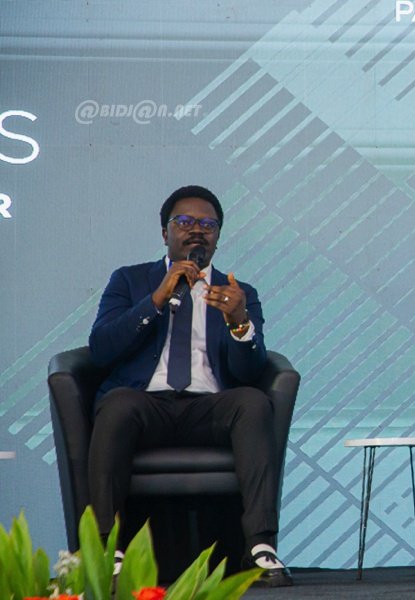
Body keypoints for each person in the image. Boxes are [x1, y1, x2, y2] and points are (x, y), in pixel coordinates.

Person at [87, 185, 292, 587]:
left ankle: (260, 546)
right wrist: (156, 299)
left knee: (252, 402)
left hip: (208, 408)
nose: (197, 231)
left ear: (217, 237)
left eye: (207, 225)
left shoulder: (238, 293)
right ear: (165, 232)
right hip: (145, 405)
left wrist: (239, 323)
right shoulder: (129, 280)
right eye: (184, 222)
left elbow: (250, 372)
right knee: (118, 404)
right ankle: (108, 548)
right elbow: (101, 349)